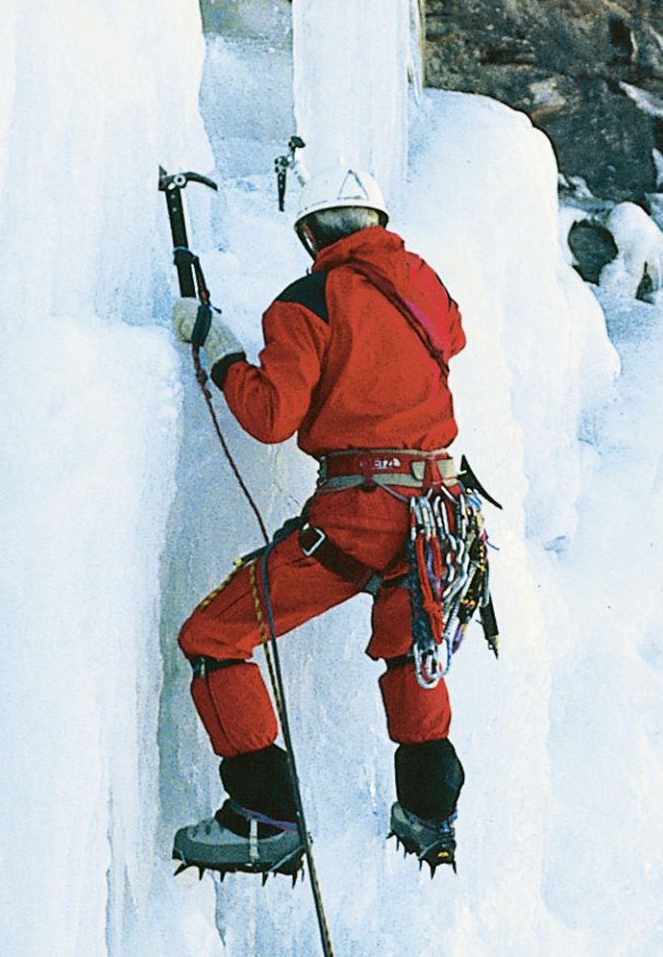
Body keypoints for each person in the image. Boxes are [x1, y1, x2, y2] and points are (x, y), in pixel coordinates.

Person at [169, 167, 473, 876]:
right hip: (435, 513)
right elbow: (451, 339)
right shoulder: (424, 283)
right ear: (375, 221)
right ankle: (430, 815)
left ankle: (263, 817)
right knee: (410, 652)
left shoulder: (307, 302)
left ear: (310, 233)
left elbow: (271, 417)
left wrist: (222, 354)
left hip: (357, 512)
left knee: (213, 637)